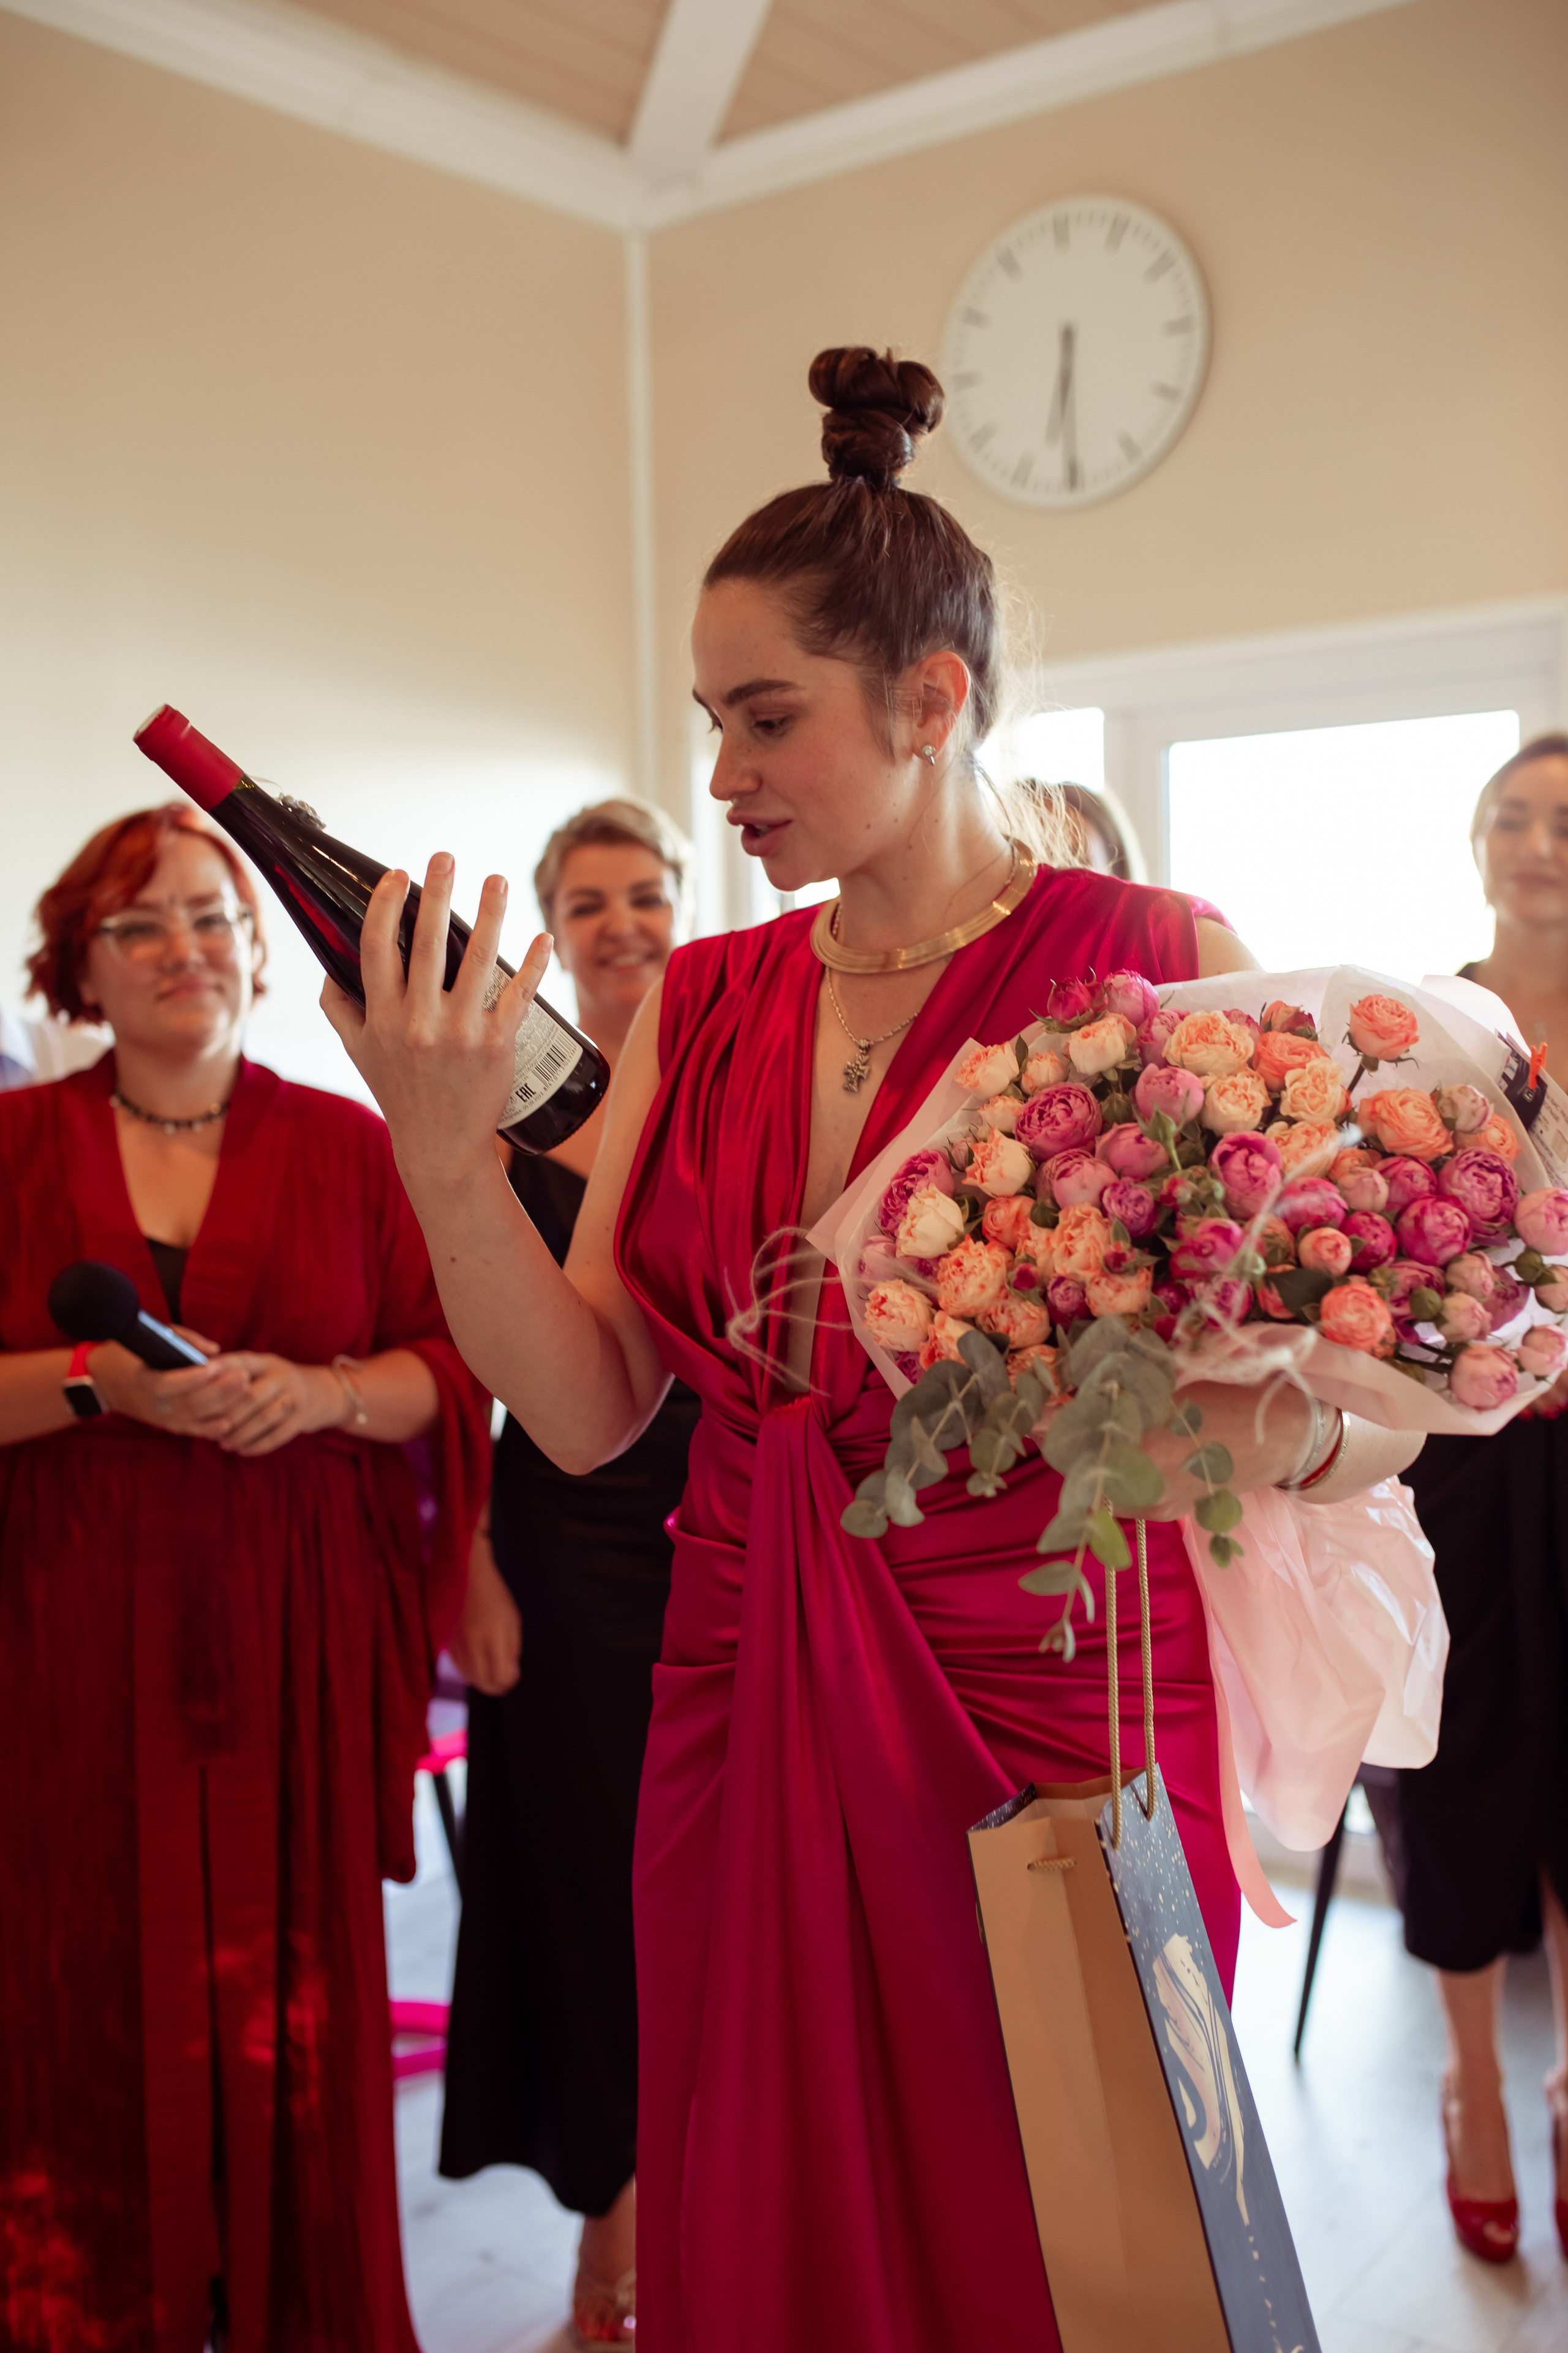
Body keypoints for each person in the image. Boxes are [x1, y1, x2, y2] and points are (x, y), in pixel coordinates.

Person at [323, 347, 1420, 2352]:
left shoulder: (1162, 960)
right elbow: (591, 1410)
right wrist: (443, 1153)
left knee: (1070, 2217)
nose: (725, 777)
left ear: (932, 698)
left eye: (768, 720)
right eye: (710, 726)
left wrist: (1220, 1415)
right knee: (771, 2203)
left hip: (1055, 1692)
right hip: (739, 1677)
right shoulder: (707, 997)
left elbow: (1358, 1404)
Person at [0, 804, 490, 2350]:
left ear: (256, 945)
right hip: (64, 1629)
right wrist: (99, 1383)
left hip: (293, 1628)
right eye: (139, 923)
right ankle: (88, 2307)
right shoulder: (10, 1150)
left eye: (211, 915)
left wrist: (325, 1392)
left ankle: (300, 2307)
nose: (183, 948)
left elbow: (447, 1367)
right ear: (79, 964)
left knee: (293, 1974)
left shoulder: (352, 1146)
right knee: (76, 1961)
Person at [439, 799, 698, 2349]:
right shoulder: (492, 1116)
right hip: (563, 1541)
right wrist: (471, 1561)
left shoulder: (725, 1076)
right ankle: (614, 2232)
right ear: (549, 930)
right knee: (595, 1891)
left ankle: (722, 2225)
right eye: (587, 902)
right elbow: (462, 1369)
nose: (621, 925)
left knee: (722, 1891)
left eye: (644, 893)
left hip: (726, 1526)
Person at [1395, 731, 1568, 2265]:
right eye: (1509, 816)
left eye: (1563, 820)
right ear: (1473, 843)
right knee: (1457, 1769)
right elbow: (1377, 1227)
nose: (1536, 843)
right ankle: (1472, 2087)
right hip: (1459, 1452)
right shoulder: (1428, 1024)